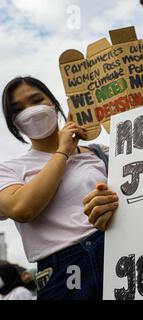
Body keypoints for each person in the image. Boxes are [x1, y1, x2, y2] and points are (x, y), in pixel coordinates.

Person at [0, 77, 119, 300]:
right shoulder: (9, 170)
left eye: (36, 100)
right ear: (13, 123)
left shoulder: (99, 153)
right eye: (18, 109)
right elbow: (21, 209)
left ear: (54, 103)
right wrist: (63, 151)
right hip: (63, 273)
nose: (30, 111)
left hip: (116, 250)